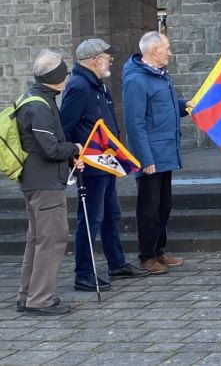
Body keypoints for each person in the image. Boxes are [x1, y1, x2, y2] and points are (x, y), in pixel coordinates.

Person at [59, 38, 148, 292]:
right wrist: (72, 157)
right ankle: (83, 273)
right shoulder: (79, 86)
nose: (110, 60)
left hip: (106, 162)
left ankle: (116, 262)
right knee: (91, 218)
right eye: (107, 57)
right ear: (95, 60)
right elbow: (66, 126)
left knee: (111, 214)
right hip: (91, 164)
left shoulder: (98, 85)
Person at [15, 51, 82, 316]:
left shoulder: (35, 99)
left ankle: (27, 296)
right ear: (55, 78)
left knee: (37, 239)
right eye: (65, 73)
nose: (67, 77)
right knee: (52, 239)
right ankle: (40, 300)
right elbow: (50, 149)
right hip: (44, 183)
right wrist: (75, 148)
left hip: (35, 180)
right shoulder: (39, 106)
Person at [122, 31, 188, 276]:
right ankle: (146, 256)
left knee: (164, 205)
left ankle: (158, 250)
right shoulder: (136, 81)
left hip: (166, 151)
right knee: (148, 209)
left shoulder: (161, 76)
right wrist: (144, 159)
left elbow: (165, 107)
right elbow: (134, 123)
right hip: (151, 156)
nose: (170, 52)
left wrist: (186, 106)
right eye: (166, 48)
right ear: (153, 51)